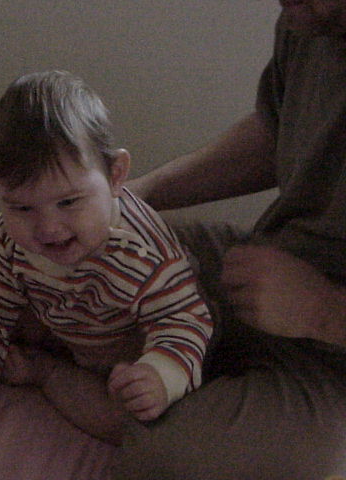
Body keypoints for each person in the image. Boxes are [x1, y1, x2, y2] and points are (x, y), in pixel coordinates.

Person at [0, 70, 213, 443]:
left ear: (116, 175)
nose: (48, 228)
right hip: (57, 317)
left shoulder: (144, 252)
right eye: (22, 208)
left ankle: (46, 373)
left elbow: (186, 319)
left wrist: (160, 375)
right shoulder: (8, 237)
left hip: (125, 348)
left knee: (124, 424)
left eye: (69, 202)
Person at [111, 1, 346, 478]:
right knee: (90, 261)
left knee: (172, 459)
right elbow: (275, 131)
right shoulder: (309, 17)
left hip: (333, 360)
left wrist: (322, 310)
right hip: (268, 273)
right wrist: (141, 195)